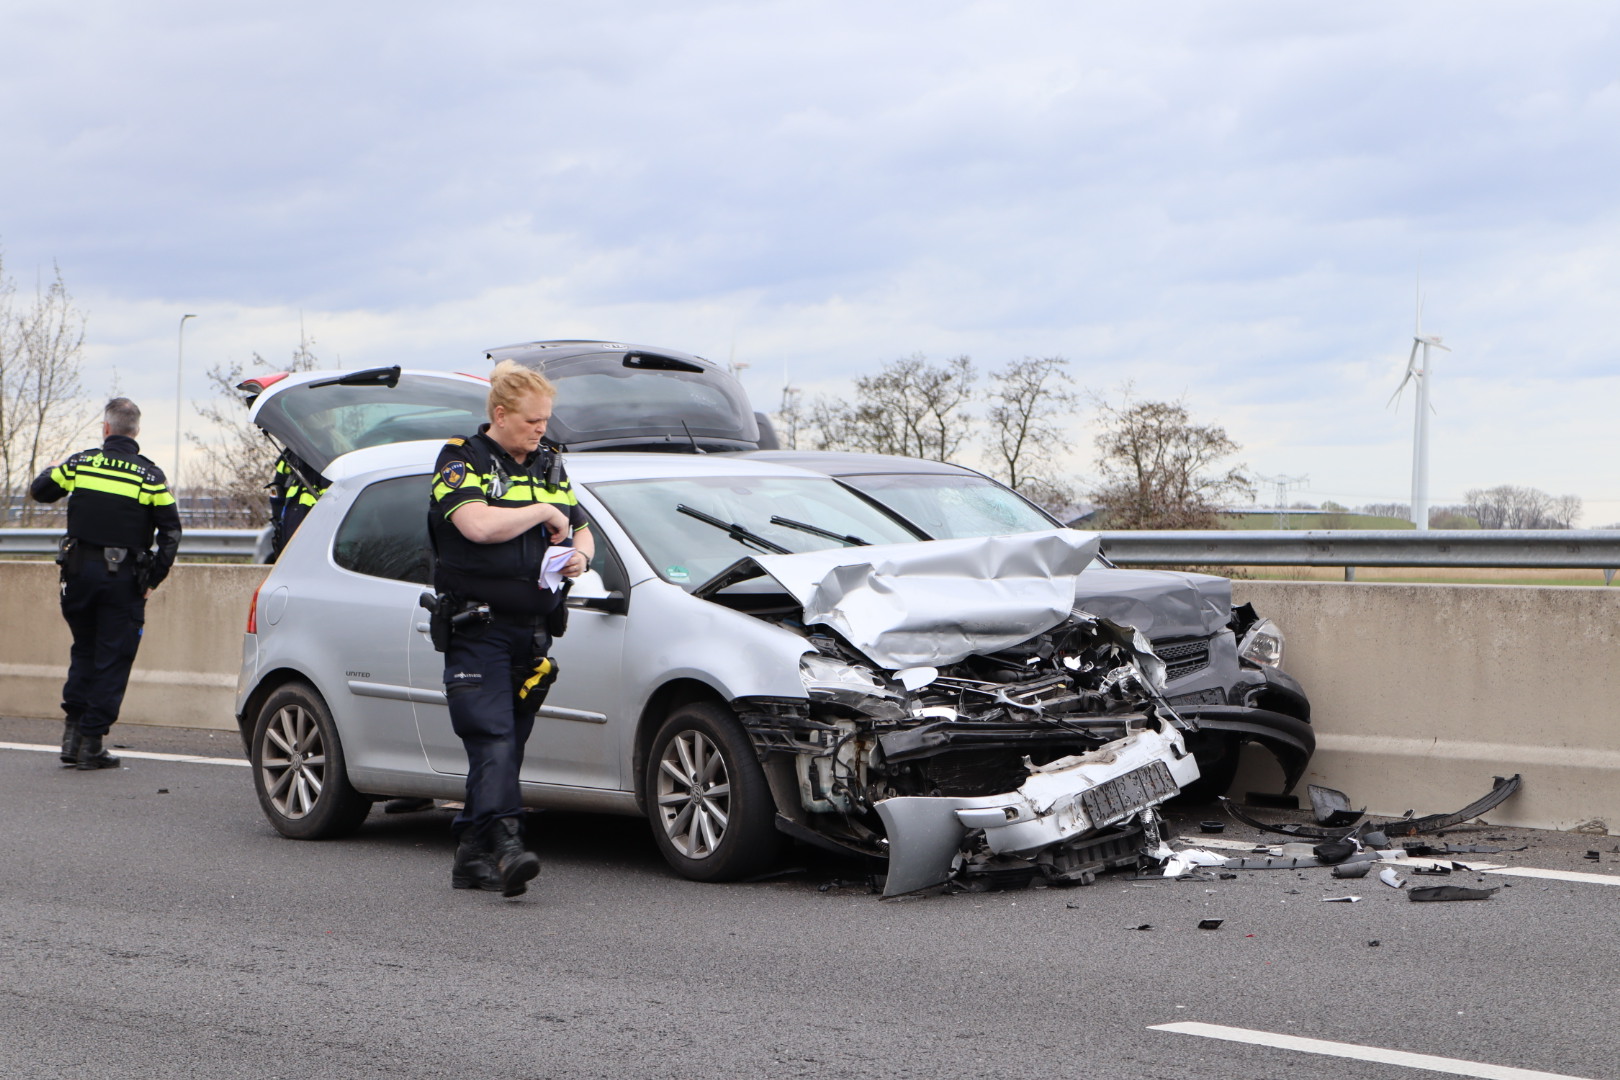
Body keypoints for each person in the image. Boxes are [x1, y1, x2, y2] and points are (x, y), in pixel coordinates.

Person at [427, 360, 592, 896]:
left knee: (508, 744)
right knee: (492, 738)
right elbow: (476, 525)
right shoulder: (461, 459)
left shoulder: (549, 464)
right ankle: (506, 844)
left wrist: (579, 560)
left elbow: (582, 529)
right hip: (479, 629)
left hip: (533, 630)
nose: (541, 429)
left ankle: (470, 854)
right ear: (500, 414)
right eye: (531, 421)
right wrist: (541, 511)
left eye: (546, 420)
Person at [30, 398, 182, 770]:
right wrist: (154, 579)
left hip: (78, 577)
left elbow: (40, 491)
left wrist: (52, 468)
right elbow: (171, 533)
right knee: (112, 658)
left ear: (106, 429)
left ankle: (71, 736)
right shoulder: (149, 476)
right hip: (123, 582)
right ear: (136, 432)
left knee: (84, 650)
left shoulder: (81, 464)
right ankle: (91, 744)